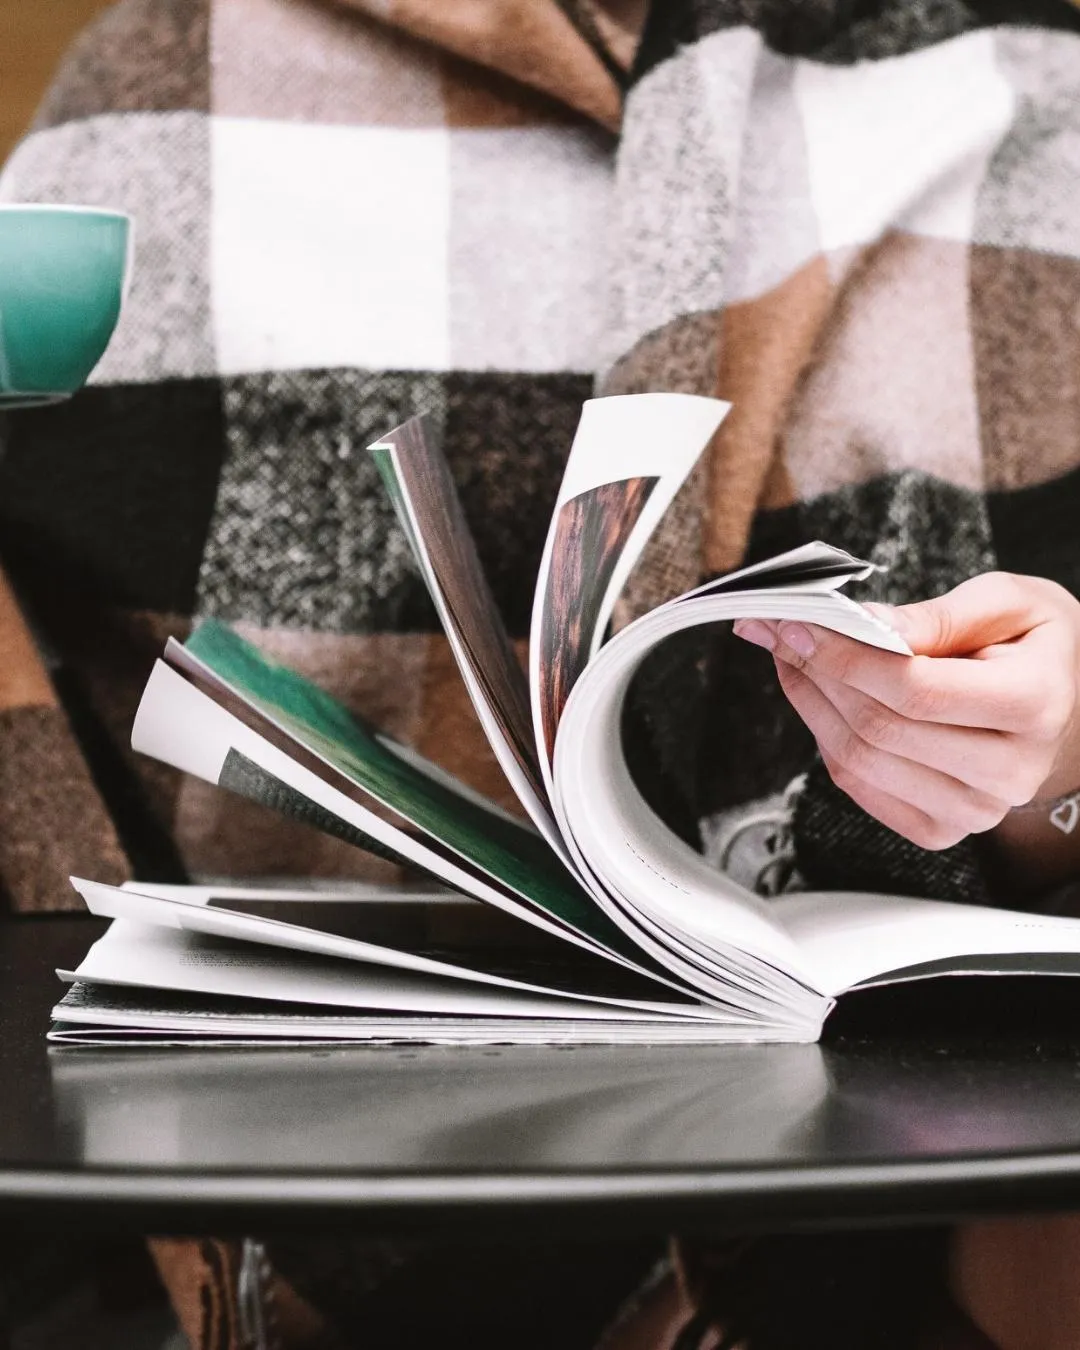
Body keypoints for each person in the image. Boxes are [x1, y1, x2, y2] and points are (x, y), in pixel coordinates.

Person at [4, 0, 1080, 1345]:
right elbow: (39, 757)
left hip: (924, 1240)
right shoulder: (165, 81)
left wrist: (1056, 753)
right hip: (252, 1200)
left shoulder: (1032, 89)